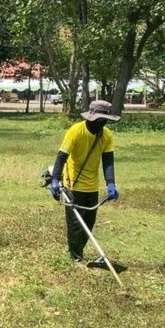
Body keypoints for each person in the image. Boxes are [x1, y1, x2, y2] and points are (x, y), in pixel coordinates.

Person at [49, 100, 121, 264]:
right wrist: (55, 180)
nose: (101, 123)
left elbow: (108, 160)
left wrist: (111, 183)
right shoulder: (76, 131)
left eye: (104, 120)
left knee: (88, 223)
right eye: (99, 120)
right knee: (76, 224)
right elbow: (62, 156)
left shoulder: (106, 135)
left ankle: (76, 250)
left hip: (92, 185)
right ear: (91, 117)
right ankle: (75, 258)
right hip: (72, 183)